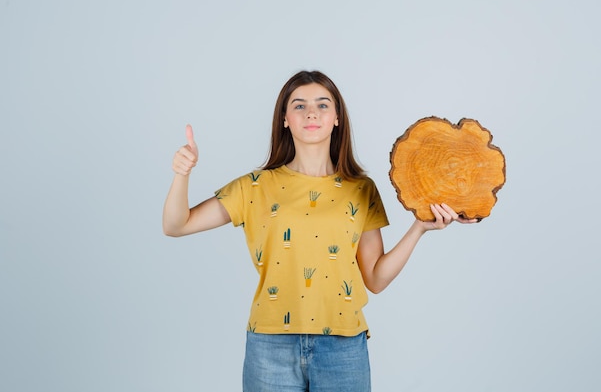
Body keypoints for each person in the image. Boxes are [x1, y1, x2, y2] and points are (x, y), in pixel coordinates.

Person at [163, 70, 476, 391]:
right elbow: (176, 225)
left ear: (337, 117)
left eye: (322, 105)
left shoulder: (361, 189)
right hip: (270, 345)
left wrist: (419, 228)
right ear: (284, 119)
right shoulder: (254, 187)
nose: (311, 112)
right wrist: (181, 174)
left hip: (343, 347)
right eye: (299, 105)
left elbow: (376, 279)